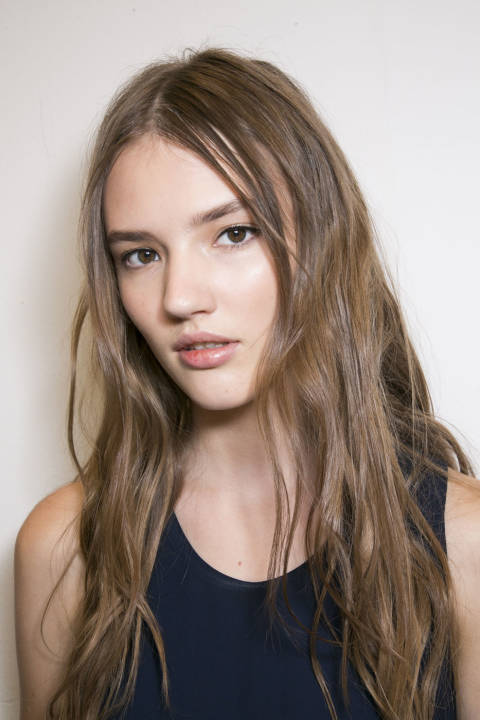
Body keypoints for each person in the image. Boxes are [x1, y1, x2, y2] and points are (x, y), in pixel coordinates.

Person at [14, 46, 480, 720]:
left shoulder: (462, 542)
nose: (180, 297)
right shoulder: (64, 549)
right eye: (140, 255)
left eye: (233, 234)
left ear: (322, 239)